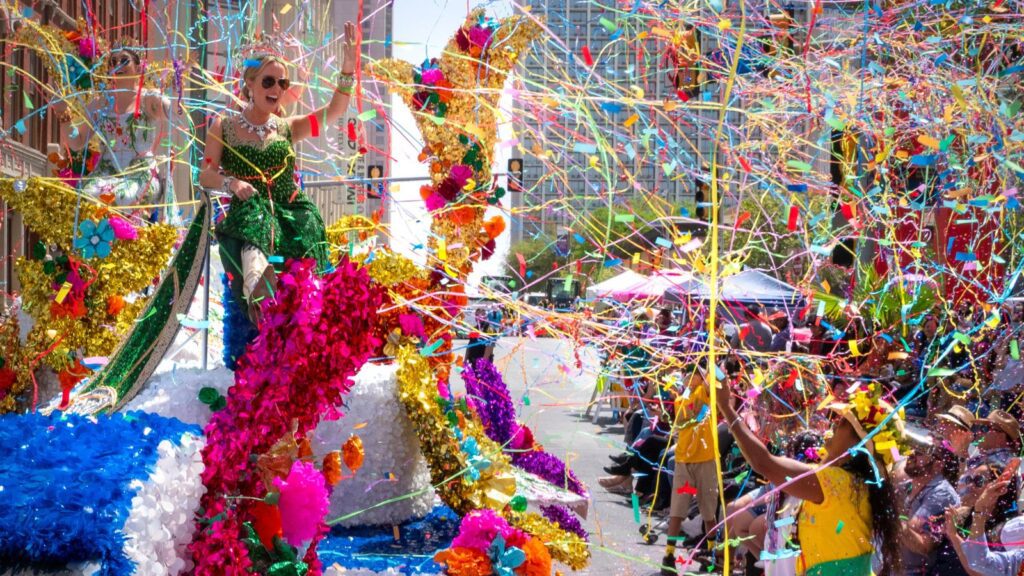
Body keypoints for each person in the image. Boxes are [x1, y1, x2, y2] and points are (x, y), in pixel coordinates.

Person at [199, 23, 358, 325]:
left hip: (292, 215)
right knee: (257, 255)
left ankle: (309, 323)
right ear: (249, 84)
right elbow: (205, 175)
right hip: (251, 216)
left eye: (282, 84)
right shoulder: (224, 127)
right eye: (268, 82)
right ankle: (262, 315)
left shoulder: (289, 127)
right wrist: (231, 182)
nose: (275, 90)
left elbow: (335, 111)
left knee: (309, 244)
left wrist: (348, 69)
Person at [717, 383, 905, 576]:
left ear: (857, 443)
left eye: (841, 424)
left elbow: (763, 463)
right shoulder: (852, 484)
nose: (833, 425)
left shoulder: (839, 484)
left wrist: (726, 408)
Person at [57, 41, 171, 222]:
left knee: (123, 196)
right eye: (113, 61)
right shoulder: (101, 103)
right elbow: (77, 141)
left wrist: (163, 100)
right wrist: (63, 114)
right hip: (107, 171)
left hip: (140, 171)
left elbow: (168, 112)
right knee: (85, 197)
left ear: (139, 68)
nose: (117, 65)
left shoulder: (147, 99)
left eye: (124, 61)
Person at [662, 360, 720, 575]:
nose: (690, 376)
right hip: (684, 461)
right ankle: (669, 554)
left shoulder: (705, 393)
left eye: (694, 373)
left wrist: (709, 366)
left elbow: (715, 381)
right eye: (688, 373)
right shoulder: (682, 398)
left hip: (706, 459)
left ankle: (711, 552)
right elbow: (685, 414)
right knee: (678, 508)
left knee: (708, 508)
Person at [900, 445, 961, 575]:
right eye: (913, 450)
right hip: (890, 566)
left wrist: (891, 518)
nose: (912, 455)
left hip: (912, 572)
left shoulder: (942, 493)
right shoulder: (909, 486)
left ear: (938, 465)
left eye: (920, 452)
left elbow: (917, 532)